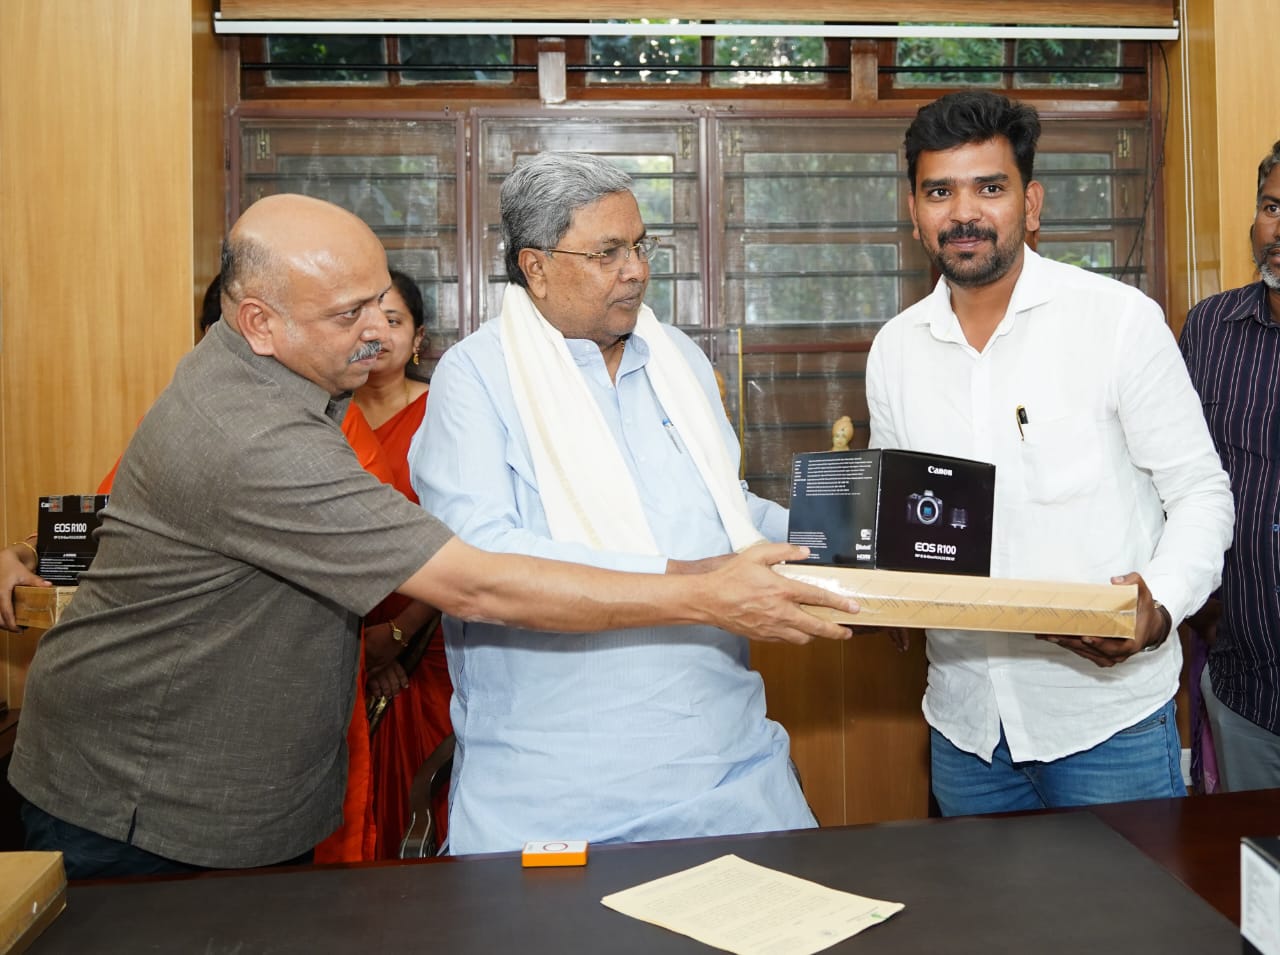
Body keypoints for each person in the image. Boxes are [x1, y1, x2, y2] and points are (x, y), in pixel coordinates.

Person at [6, 193, 857, 881]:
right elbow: (476, 579)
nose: (380, 333)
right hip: (142, 805)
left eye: (383, 302)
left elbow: (725, 505)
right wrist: (703, 592)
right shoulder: (260, 433)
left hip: (244, 791)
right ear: (259, 322)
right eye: (350, 314)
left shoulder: (281, 375)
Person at [409, 152, 819, 855]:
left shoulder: (678, 359)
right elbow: (481, 563)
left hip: (731, 776)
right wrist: (697, 583)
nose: (636, 271)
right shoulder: (476, 377)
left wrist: (849, 543)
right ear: (536, 267)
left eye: (639, 246)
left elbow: (728, 513)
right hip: (556, 796)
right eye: (608, 253)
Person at [865, 90, 1234, 814]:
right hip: (965, 726)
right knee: (977, 898)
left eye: (989, 188)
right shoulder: (895, 350)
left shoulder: (1118, 322)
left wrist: (1159, 606)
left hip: (1107, 722)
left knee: (1134, 897)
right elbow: (899, 512)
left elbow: (1200, 492)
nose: (963, 213)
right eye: (939, 192)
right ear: (913, 211)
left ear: (1030, 204)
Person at [1179, 140, 1280, 792]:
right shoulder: (1210, 329)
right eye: (1273, 207)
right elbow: (1171, 475)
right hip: (1246, 684)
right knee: (1251, 853)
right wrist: (1199, 603)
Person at [348, 269, 454, 857]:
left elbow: (462, 537)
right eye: (365, 319)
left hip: (431, 640)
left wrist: (397, 637)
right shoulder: (324, 416)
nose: (378, 333)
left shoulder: (445, 414)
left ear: (418, 339)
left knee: (425, 798)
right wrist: (361, 650)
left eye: (394, 320)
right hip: (340, 645)